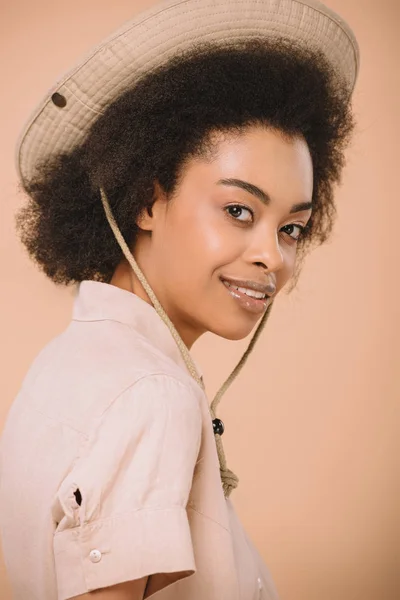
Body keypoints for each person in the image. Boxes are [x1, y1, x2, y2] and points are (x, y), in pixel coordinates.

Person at [0, 0, 359, 598]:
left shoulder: (66, 361)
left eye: (291, 227)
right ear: (145, 199)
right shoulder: (153, 396)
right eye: (239, 210)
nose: (273, 256)